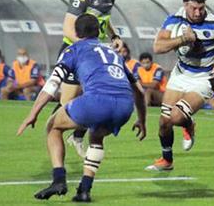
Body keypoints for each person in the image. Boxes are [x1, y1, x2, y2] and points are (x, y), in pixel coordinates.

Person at [16, 14, 147, 202]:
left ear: (76, 33)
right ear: (99, 32)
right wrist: (142, 120)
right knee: (97, 135)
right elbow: (140, 92)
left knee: (53, 126)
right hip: (125, 107)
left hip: (97, 102)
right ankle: (84, 190)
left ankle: (58, 180)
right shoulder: (112, 52)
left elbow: (52, 84)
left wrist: (32, 113)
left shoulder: (73, 49)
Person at [146, 0, 214, 171]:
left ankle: (188, 124)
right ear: (185, 5)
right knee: (163, 122)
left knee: (176, 117)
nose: (198, 12)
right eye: (193, 8)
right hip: (181, 74)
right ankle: (167, 161)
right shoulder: (174, 20)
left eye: (201, 8)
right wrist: (183, 40)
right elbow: (158, 47)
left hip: (204, 77)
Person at [56, 0, 124, 158]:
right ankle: (55, 134)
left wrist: (114, 35)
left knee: (95, 99)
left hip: (93, 54)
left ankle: (76, 137)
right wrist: (88, 47)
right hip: (75, 54)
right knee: (66, 105)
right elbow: (68, 29)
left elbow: (105, 20)